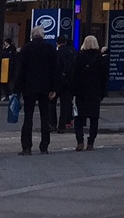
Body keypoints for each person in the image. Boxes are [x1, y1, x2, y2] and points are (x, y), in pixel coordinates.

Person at [13, 25, 59, 155]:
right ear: (43, 35)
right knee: (45, 117)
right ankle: (44, 146)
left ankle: (26, 146)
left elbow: (20, 70)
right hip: (45, 87)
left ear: (32, 36)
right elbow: (54, 70)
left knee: (28, 117)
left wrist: (17, 88)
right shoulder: (49, 48)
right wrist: (54, 88)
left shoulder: (26, 48)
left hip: (29, 87)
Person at [73, 35, 107, 150]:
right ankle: (91, 142)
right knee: (94, 118)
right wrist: (103, 92)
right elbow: (104, 77)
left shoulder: (79, 57)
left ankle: (80, 141)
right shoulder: (99, 58)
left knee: (79, 117)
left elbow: (74, 75)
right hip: (95, 91)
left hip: (81, 91)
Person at [54, 33, 77, 131]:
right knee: (65, 105)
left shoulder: (56, 53)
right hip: (68, 82)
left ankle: (52, 123)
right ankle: (62, 126)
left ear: (57, 43)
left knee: (52, 104)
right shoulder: (72, 52)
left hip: (57, 82)